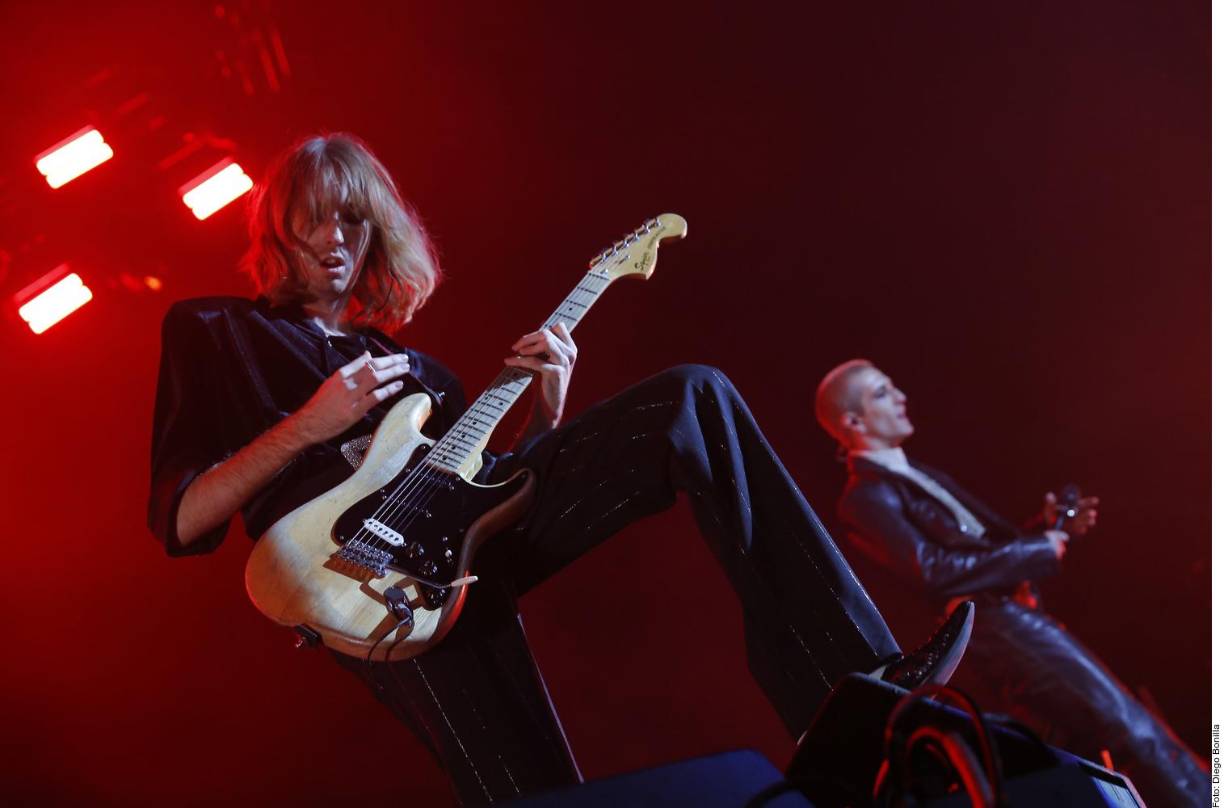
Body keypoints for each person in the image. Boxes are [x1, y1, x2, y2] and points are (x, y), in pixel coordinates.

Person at [147, 133, 971, 806]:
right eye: (314, 218)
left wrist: (549, 406)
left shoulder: (423, 375)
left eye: (354, 221)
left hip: (459, 548)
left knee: (693, 397)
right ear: (278, 227)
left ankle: (854, 683)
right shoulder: (213, 331)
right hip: (359, 579)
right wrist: (309, 425)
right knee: (534, 795)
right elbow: (182, 519)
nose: (334, 239)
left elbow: (495, 490)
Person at [814, 358, 1208, 808]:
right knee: (1133, 731)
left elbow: (972, 550)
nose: (901, 397)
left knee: (1094, 744)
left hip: (1011, 618)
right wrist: (1038, 550)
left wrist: (1043, 529)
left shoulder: (911, 474)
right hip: (997, 626)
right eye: (882, 393)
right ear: (853, 421)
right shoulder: (866, 496)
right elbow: (933, 570)